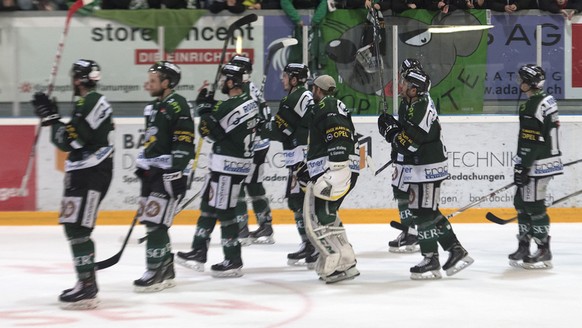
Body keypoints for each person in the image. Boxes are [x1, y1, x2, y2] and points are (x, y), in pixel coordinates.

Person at [32, 59, 114, 309]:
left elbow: (71, 141)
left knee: (78, 228)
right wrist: (54, 120)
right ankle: (85, 282)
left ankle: (87, 286)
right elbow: (72, 139)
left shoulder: (90, 101)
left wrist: (52, 119)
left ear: (78, 79)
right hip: (84, 171)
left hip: (91, 171)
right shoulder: (87, 101)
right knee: (73, 226)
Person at [377, 68, 473, 280]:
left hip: (429, 167)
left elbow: (408, 145)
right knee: (426, 211)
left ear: (415, 89)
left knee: (422, 213)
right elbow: (404, 134)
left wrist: (391, 133)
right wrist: (393, 127)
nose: (400, 85)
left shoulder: (422, 107)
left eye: (405, 83)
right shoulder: (409, 104)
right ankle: (455, 250)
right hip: (420, 167)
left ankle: (431, 259)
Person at [176, 64, 259, 278]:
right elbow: (223, 117)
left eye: (225, 79)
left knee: (225, 211)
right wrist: (211, 106)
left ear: (233, 82)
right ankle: (198, 250)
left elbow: (209, 132)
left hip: (228, 166)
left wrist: (203, 109)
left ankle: (232, 259)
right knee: (209, 205)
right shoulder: (248, 102)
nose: (222, 82)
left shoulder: (230, 106)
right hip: (229, 165)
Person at [133, 60, 194, 292]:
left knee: (155, 222)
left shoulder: (177, 105)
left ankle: (155, 270)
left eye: (153, 80)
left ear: (167, 83)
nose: (148, 84)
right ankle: (166, 267)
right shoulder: (154, 107)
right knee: (152, 222)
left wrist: (176, 170)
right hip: (152, 172)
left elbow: (184, 141)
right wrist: (143, 162)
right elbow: (152, 141)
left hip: (168, 173)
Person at [301, 75, 360, 283]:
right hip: (337, 167)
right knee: (328, 214)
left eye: (313, 88)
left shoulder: (328, 105)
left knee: (320, 216)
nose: (311, 91)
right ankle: (347, 259)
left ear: (318, 90)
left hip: (336, 168)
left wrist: (336, 165)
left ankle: (335, 260)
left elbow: (340, 134)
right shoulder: (333, 104)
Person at [261, 63, 318, 267]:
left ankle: (314, 246)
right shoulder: (306, 96)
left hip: (301, 161)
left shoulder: (291, 99)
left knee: (302, 203)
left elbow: (279, 131)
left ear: (294, 79)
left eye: (285, 76)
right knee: (300, 203)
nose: (282, 80)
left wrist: (261, 125)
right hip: (306, 158)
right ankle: (310, 245)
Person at [509, 64, 563, 269]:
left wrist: (523, 166)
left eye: (521, 79)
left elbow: (531, 140)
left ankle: (543, 248)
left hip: (537, 163)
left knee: (533, 205)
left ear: (529, 83)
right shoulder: (547, 100)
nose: (519, 82)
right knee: (521, 202)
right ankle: (524, 243)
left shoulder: (530, 106)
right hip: (544, 159)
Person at [228, 54, 275, 245]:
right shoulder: (250, 88)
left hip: (252, 145)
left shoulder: (244, 90)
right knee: (254, 184)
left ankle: (241, 228)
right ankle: (265, 225)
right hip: (259, 144)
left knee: (237, 183)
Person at [386, 58, 424, 254]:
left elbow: (413, 131)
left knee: (409, 193)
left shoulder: (418, 100)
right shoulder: (406, 99)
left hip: (412, 156)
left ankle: (414, 231)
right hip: (403, 153)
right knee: (400, 191)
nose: (402, 79)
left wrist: (395, 136)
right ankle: (408, 230)